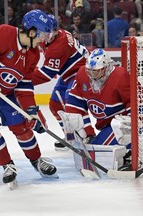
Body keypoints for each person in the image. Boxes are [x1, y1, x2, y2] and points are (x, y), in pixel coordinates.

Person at [0, 9, 58, 186]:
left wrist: (31, 110)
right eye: (42, 35)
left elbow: (24, 84)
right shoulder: (5, 33)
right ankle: (7, 165)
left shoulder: (33, 54)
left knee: (21, 125)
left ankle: (37, 160)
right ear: (31, 31)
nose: (44, 40)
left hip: (5, 92)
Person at [64, 48, 143, 169]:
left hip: (122, 124)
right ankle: (130, 148)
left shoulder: (120, 76)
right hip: (105, 125)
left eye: (95, 72)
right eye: (89, 71)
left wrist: (127, 125)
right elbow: (75, 105)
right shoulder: (82, 74)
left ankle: (133, 153)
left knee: (99, 153)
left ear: (106, 68)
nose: (91, 75)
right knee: (91, 149)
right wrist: (87, 133)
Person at [32, 14, 89, 151]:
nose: (48, 35)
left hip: (80, 74)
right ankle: (70, 138)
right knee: (55, 104)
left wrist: (23, 80)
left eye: (51, 32)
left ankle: (87, 136)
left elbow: (46, 75)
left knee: (72, 105)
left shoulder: (57, 46)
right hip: (68, 75)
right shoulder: (57, 36)